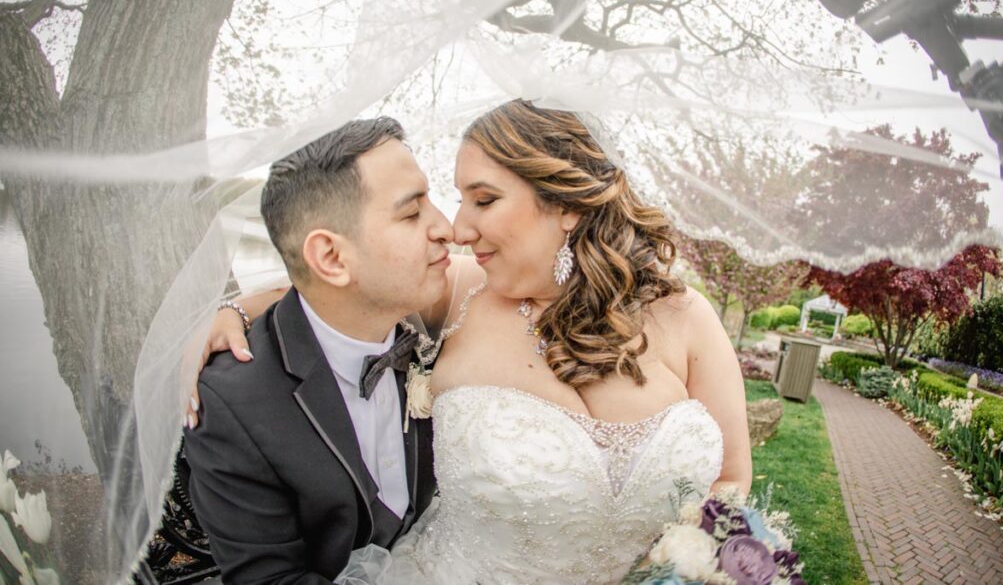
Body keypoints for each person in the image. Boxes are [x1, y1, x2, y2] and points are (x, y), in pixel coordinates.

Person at [198, 100, 751, 583]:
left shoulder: (687, 318)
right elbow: (332, 283)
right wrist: (228, 311)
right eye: (451, 202)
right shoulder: (461, 290)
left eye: (483, 201)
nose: (458, 228)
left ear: (566, 204)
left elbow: (729, 482)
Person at [183, 117, 454, 582]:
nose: (447, 228)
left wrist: (234, 306)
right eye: (412, 214)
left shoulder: (443, 311)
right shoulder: (234, 405)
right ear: (330, 258)